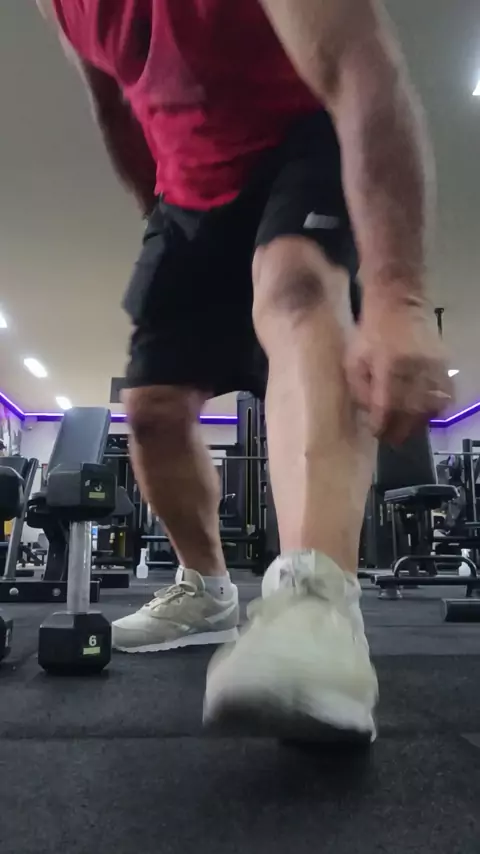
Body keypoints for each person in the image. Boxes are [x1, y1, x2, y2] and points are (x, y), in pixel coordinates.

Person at [37, 0, 451, 741]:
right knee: (152, 411)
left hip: (299, 135)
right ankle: (207, 593)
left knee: (296, 288)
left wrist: (399, 296)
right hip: (186, 193)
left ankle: (319, 608)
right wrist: (160, 222)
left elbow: (358, 63)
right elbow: (112, 98)